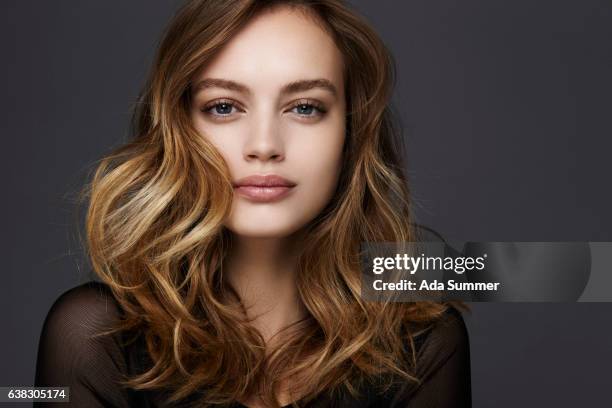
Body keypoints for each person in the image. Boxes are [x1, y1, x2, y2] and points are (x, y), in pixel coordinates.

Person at [34, 1, 471, 407]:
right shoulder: (94, 336)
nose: (264, 145)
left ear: (351, 134)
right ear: (179, 128)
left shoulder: (422, 341)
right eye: (224, 107)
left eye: (304, 108)